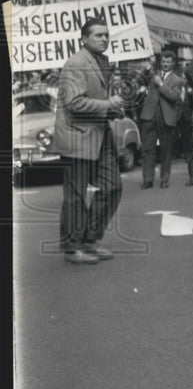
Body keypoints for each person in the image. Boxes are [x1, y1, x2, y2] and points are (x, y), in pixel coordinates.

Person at [52, 17, 125, 265]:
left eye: (106, 35)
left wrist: (114, 109)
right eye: (98, 35)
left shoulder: (101, 61)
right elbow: (74, 103)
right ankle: (73, 249)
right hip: (77, 136)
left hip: (99, 134)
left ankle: (90, 239)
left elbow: (96, 100)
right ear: (84, 39)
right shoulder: (76, 63)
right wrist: (108, 105)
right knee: (75, 195)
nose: (104, 39)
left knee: (112, 185)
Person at [138, 50, 185, 189]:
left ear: (173, 63)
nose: (165, 64)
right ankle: (148, 180)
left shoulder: (177, 80)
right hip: (149, 116)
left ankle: (164, 179)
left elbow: (174, 97)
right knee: (147, 150)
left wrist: (161, 84)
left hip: (166, 118)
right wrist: (146, 69)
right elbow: (139, 82)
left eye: (168, 62)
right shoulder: (153, 74)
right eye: (163, 61)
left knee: (166, 151)